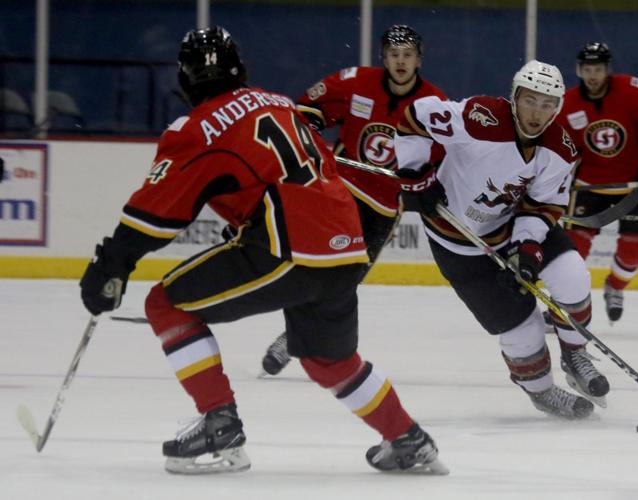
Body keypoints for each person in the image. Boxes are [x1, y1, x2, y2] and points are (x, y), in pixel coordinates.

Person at [78, 26, 445, 475]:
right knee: (329, 360)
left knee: (166, 304)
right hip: (348, 248)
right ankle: (407, 438)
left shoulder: (198, 129)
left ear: (185, 80)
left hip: (290, 245)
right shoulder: (278, 103)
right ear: (241, 68)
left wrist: (110, 264)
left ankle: (220, 427)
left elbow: (156, 213)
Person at [392, 60, 610, 419]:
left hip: (510, 226)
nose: (537, 113)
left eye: (547, 104)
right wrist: (415, 175)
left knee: (572, 274)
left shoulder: (562, 148)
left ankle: (575, 355)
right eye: (530, 100)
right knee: (522, 331)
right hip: (457, 241)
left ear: (557, 107)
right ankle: (541, 392)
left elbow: (542, 205)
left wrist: (527, 250)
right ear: (514, 97)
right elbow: (416, 115)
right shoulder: (481, 118)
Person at [260, 24, 446, 375]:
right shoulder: (355, 82)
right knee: (317, 267)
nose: (401, 61)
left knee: (346, 281)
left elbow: (446, 154)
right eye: (394, 54)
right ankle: (295, 337)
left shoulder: (433, 104)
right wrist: (309, 131)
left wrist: (430, 179)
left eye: (408, 55)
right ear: (383, 57)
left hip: (384, 206)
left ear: (419, 59)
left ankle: (295, 336)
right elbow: (308, 109)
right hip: (340, 192)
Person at [556, 42, 638, 323]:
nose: (592, 75)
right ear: (579, 70)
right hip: (588, 184)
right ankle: (564, 305)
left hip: (632, 186)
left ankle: (616, 287)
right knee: (572, 249)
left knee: (634, 247)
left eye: (597, 69)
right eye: (587, 69)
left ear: (607, 70)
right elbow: (560, 152)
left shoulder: (635, 91)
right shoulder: (567, 104)